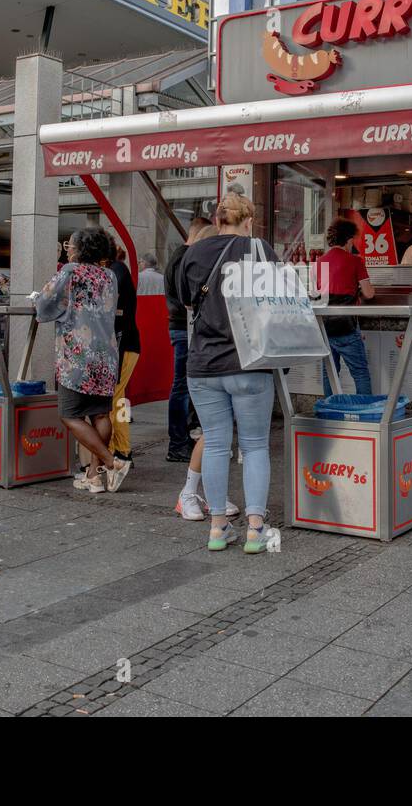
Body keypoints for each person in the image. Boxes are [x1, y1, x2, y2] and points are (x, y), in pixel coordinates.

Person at [176, 193, 277, 553]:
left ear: (218, 220)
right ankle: (255, 529)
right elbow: (275, 301)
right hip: (250, 362)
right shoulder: (259, 249)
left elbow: (186, 301)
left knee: (216, 444)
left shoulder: (193, 253)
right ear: (248, 220)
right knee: (254, 446)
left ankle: (218, 527)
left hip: (204, 364)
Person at [34, 227, 130, 494]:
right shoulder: (109, 275)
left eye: (70, 246)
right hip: (106, 353)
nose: (69, 249)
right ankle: (94, 476)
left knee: (69, 414)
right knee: (100, 412)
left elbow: (45, 303)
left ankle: (113, 463)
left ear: (79, 249)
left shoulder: (70, 272)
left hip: (78, 356)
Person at [164, 218, 210, 462]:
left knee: (184, 386)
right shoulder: (185, 258)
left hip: (182, 327)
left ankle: (182, 438)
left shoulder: (179, 256)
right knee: (181, 386)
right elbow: (189, 298)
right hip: (184, 328)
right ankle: (177, 443)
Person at [318, 218, 375, 397]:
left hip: (325, 327)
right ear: (349, 240)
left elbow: (317, 293)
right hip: (347, 326)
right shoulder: (355, 261)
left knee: (329, 374)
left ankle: (329, 415)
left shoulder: (320, 262)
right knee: (360, 373)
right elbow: (369, 294)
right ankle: (365, 413)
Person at [105, 240, 140, 462]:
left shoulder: (116, 272)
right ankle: (123, 448)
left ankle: (114, 449)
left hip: (123, 345)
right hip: (128, 344)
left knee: (115, 398)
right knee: (120, 399)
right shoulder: (118, 270)